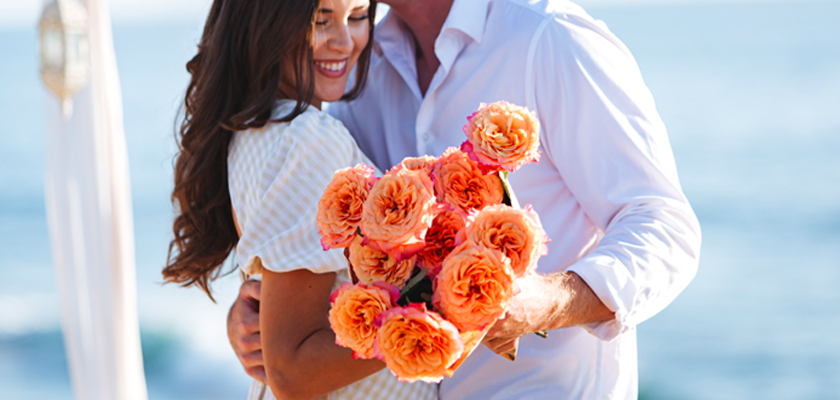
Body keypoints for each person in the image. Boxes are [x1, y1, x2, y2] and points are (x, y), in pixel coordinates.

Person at [228, 0, 702, 398]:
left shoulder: (550, 38)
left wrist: (545, 302)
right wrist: (257, 314)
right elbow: (341, 246)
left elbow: (664, 226)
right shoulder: (360, 68)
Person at [162, 0, 438, 399]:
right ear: (265, 20)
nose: (344, 41)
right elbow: (290, 371)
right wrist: (441, 308)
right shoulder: (309, 139)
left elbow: (280, 315)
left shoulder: (255, 131)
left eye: (358, 16)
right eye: (320, 19)